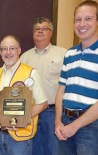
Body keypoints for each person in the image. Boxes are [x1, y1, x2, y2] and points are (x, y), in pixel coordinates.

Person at [54, 1, 98, 155]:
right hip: (64, 123)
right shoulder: (70, 53)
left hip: (90, 127)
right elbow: (61, 90)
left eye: (88, 18)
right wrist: (57, 122)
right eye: (78, 19)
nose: (82, 24)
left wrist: (74, 127)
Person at [0, 35, 48, 155]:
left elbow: (42, 104)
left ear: (19, 50)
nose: (8, 52)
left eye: (12, 48)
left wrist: (20, 120)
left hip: (20, 137)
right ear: (0, 52)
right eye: (4, 49)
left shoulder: (31, 73)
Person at [20, 17, 66, 155]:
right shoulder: (24, 57)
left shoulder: (63, 54)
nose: (40, 32)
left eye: (44, 28)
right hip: (31, 111)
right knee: (32, 150)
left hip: (52, 113)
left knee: (53, 150)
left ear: (51, 32)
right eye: (37, 29)